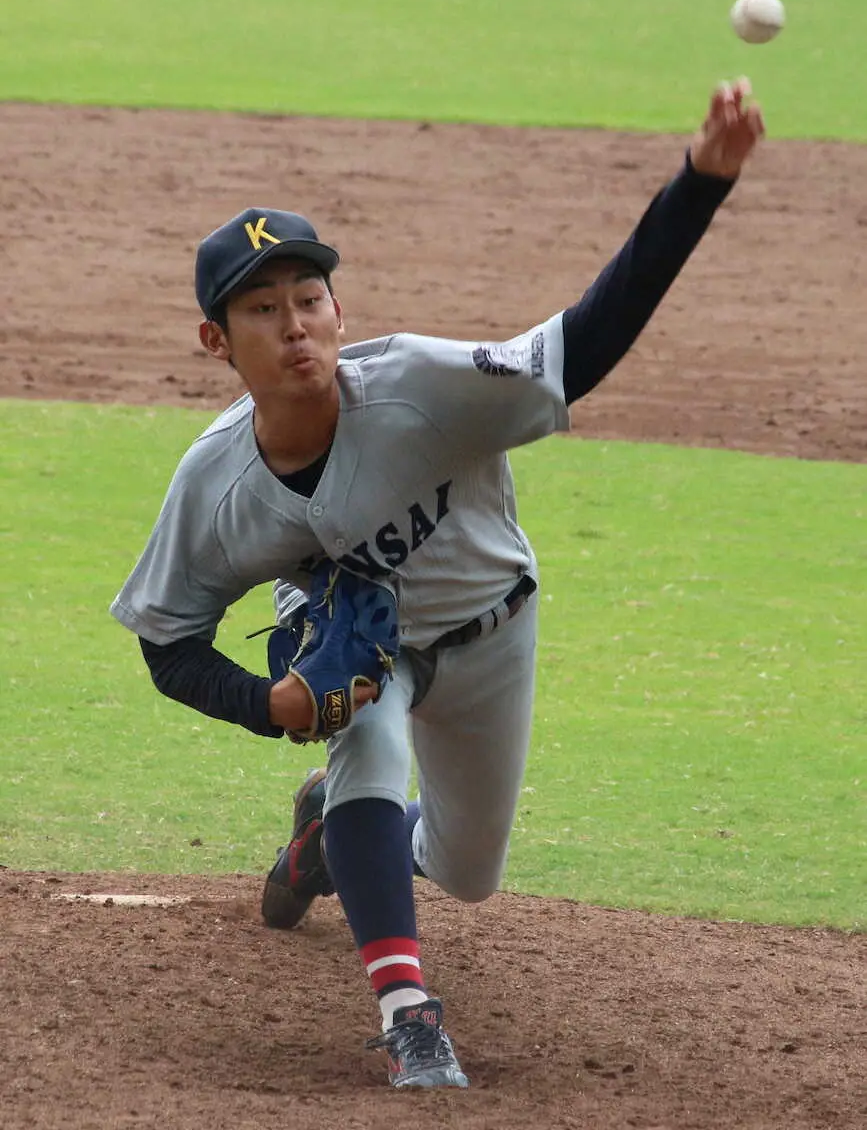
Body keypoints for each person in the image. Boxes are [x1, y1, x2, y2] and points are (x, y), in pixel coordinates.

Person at [110, 79, 764, 1089]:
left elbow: (586, 341)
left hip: (491, 629)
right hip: (364, 649)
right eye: (262, 309)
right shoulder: (215, 486)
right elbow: (167, 640)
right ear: (216, 340)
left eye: (309, 300)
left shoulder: (423, 384)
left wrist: (701, 182)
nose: (294, 327)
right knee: (366, 736)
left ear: (339, 311)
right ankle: (408, 1014)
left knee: (468, 869)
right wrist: (266, 704)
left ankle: (323, 842)